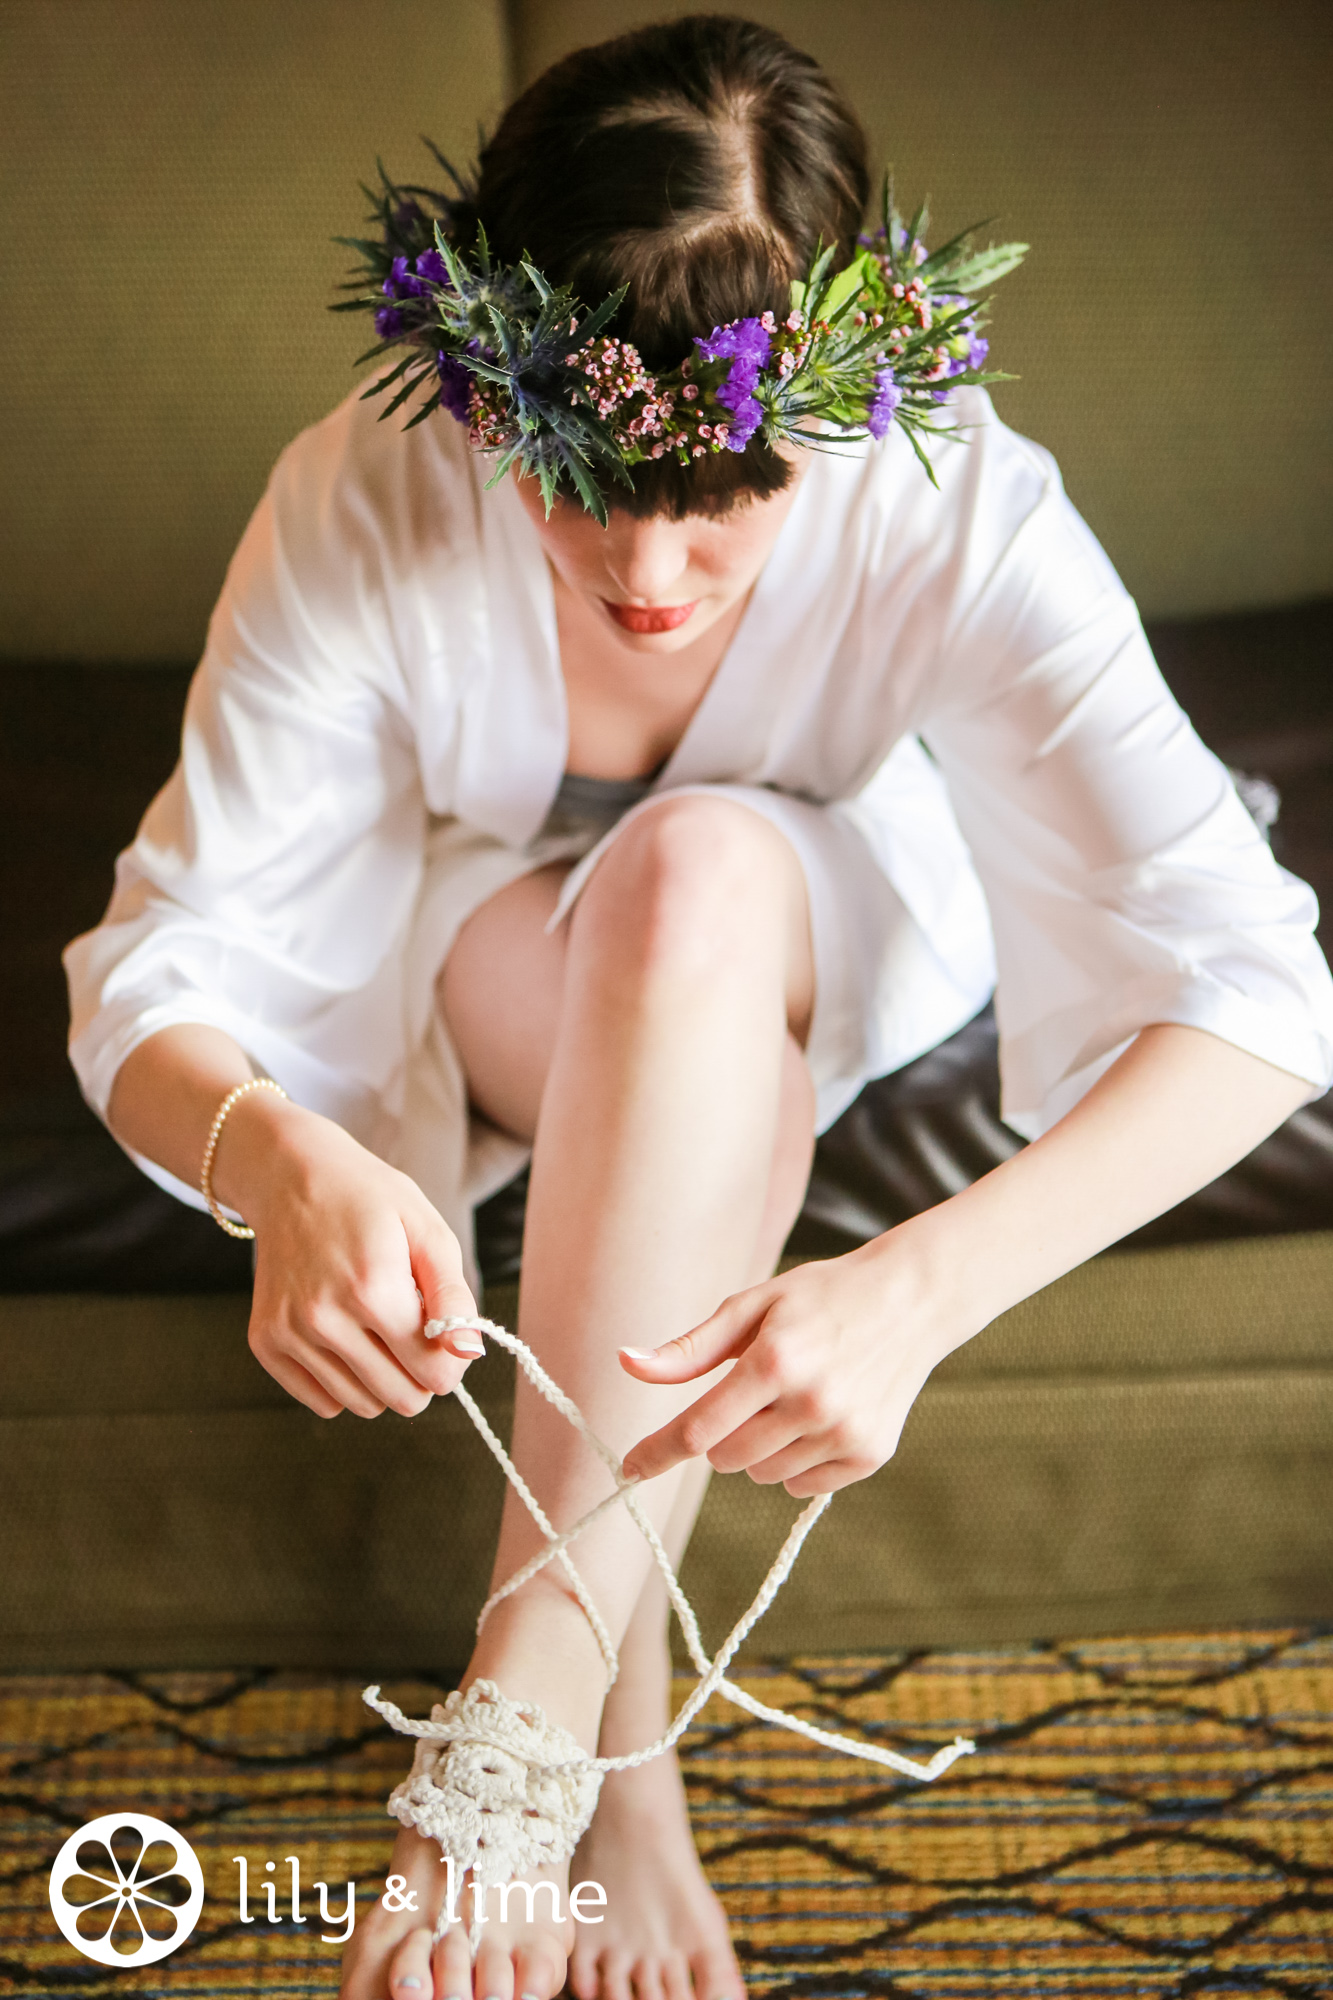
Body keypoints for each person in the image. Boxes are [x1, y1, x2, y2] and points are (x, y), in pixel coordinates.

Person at [64, 16, 1333, 2000]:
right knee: (646, 914)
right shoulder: (367, 491)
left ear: (853, 399)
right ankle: (611, 1730)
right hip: (493, 958)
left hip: (830, 925)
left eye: (732, 497)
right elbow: (170, 958)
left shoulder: (951, 497)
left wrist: (915, 1291)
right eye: (588, 493)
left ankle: (538, 1713)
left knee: (698, 866)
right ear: (488, 397)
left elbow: (1262, 987)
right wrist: (269, 1146)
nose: (652, 576)